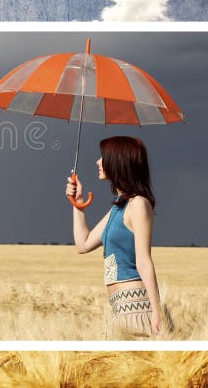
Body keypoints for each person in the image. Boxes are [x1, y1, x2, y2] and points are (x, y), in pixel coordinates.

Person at [66, 135, 173, 339]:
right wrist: (77, 203)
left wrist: (156, 311)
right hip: (119, 310)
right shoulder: (119, 207)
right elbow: (83, 244)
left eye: (103, 157)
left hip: (138, 309)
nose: (98, 162)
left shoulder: (138, 205)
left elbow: (143, 261)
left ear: (118, 162)